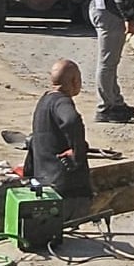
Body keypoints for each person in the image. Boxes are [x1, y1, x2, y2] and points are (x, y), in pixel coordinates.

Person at [25, 59, 93, 220]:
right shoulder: (61, 102)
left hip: (43, 181)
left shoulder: (44, 101)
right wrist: (77, 151)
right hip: (64, 189)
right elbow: (72, 120)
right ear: (75, 80)